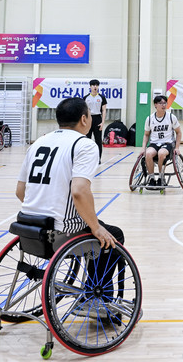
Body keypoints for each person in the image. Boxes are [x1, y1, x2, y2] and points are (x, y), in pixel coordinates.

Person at [16, 98, 123, 314]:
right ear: (84, 119)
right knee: (112, 236)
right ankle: (94, 300)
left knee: (96, 228)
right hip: (59, 232)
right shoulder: (84, 145)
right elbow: (79, 191)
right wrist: (95, 227)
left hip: (28, 227)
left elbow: (20, 191)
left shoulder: (38, 143)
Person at [142, 95, 182, 187]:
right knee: (148, 153)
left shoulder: (171, 117)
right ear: (155, 105)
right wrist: (143, 148)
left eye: (165, 103)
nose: (163, 105)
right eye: (161, 103)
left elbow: (179, 133)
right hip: (154, 143)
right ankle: (151, 178)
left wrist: (177, 148)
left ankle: (161, 177)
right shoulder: (150, 119)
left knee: (161, 153)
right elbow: (146, 134)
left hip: (168, 143)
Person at [84, 79, 107, 162]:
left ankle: (98, 158)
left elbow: (104, 110)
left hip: (97, 119)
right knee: (87, 140)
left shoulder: (101, 97)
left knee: (98, 140)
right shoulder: (86, 98)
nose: (95, 87)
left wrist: (102, 122)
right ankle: (87, 158)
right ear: (90, 86)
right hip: (88, 119)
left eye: (97, 85)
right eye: (93, 85)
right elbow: (83, 111)